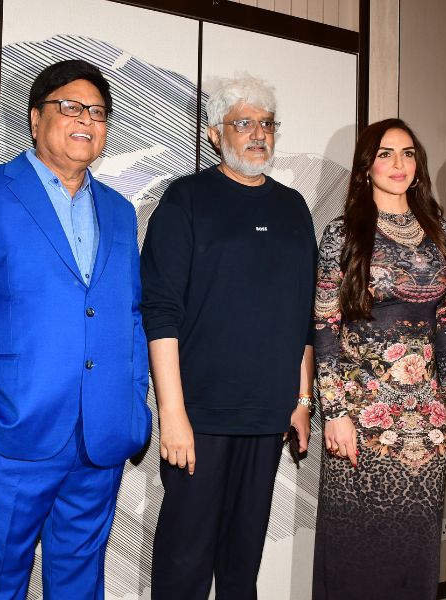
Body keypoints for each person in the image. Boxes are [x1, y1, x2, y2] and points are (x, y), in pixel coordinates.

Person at [0, 59, 151, 599]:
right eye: (70, 107)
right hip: (11, 429)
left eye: (98, 112)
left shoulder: (120, 211)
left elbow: (130, 314)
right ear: (34, 117)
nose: (86, 120)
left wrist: (134, 405)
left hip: (101, 435)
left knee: (79, 584)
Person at [141, 75, 316, 599]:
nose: (258, 134)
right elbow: (160, 312)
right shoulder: (186, 199)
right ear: (215, 134)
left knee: (243, 566)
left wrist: (302, 400)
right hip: (200, 417)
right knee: (184, 565)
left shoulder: (293, 207)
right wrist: (173, 414)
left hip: (268, 416)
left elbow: (304, 316)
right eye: (244, 123)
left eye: (267, 123)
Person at [312, 118, 446, 599]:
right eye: (385, 154)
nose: (399, 164)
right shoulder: (343, 233)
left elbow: (445, 321)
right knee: (358, 544)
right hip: (362, 414)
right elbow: (325, 325)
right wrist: (334, 412)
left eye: (407, 153)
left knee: (414, 543)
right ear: (366, 167)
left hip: (425, 416)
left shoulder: (439, 231)